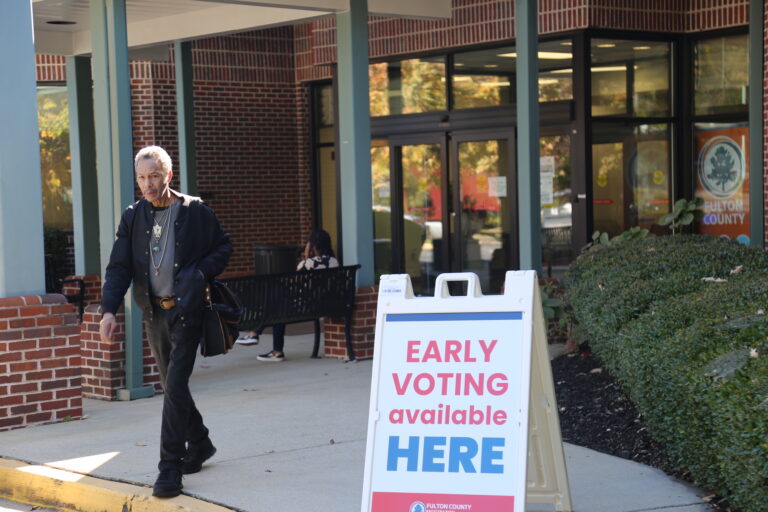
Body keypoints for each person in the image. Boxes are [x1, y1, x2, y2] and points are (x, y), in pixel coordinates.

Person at [99, 146, 232, 498]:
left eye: (154, 176)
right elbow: (119, 267)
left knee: (173, 387)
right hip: (153, 312)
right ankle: (200, 442)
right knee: (173, 386)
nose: (148, 184)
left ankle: (169, 468)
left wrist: (201, 272)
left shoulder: (194, 211)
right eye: (142, 178)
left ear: (168, 175)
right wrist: (109, 310)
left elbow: (224, 246)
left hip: (187, 311)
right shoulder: (133, 217)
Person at [256, 229, 339, 362]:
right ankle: (258, 335)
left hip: (306, 307)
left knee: (278, 303)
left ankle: (262, 337)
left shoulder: (307, 263)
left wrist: (306, 256)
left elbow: (294, 284)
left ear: (312, 245)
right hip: (328, 304)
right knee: (279, 303)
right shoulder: (334, 262)